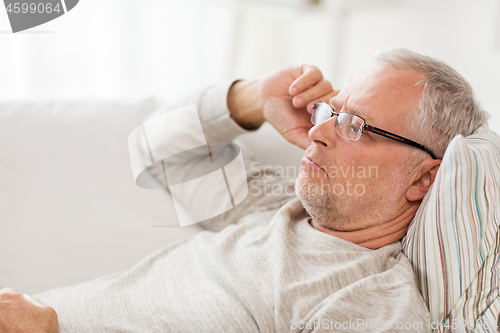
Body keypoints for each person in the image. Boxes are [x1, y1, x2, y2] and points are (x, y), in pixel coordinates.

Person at [0, 48, 488, 332]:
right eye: (331, 112)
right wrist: (254, 98)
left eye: (357, 125)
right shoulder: (281, 204)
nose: (320, 132)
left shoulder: (370, 303)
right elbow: (158, 148)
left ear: (424, 178)